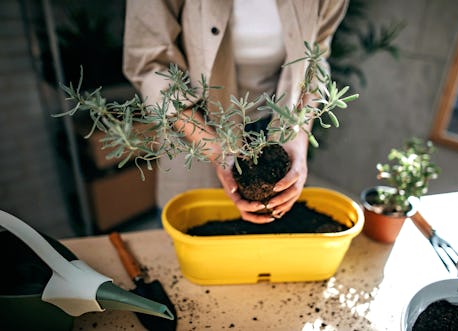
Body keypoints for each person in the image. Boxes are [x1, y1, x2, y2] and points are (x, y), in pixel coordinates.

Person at [123, 0, 349, 224]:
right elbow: (150, 64)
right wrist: (216, 151)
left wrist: (298, 139)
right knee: (195, 231)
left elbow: (316, 57)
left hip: (278, 123)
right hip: (195, 127)